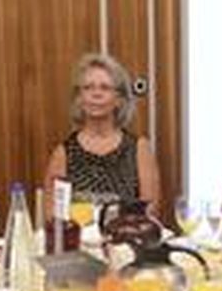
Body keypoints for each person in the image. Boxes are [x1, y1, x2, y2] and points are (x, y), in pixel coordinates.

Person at [43, 52, 159, 205]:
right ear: (79, 98)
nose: (96, 94)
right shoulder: (63, 153)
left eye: (105, 88)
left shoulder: (139, 149)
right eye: (88, 88)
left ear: (119, 99)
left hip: (128, 222)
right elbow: (53, 213)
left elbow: (150, 209)